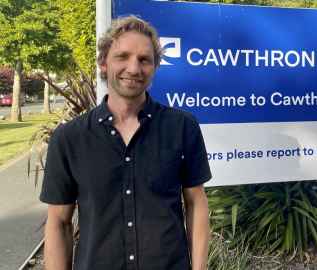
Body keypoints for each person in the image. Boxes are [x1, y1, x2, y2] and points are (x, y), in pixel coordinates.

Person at [40, 16, 211, 270]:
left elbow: (196, 202)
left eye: (144, 60)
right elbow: (58, 222)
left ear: (155, 67)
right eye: (123, 56)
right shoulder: (69, 138)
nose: (134, 68)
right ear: (103, 63)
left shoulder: (182, 127)